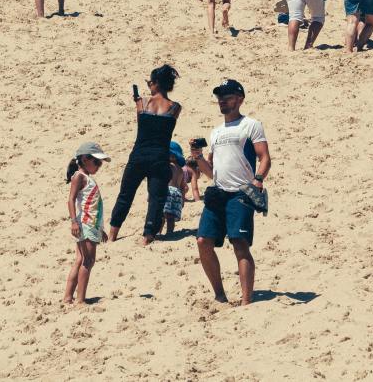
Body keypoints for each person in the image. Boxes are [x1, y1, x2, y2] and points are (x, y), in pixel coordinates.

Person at [189, 79, 272, 306]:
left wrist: (258, 179)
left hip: (241, 192)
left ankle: (246, 301)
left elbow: (264, 157)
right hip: (218, 192)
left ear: (240, 99)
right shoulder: (215, 132)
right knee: (203, 241)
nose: (222, 101)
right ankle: (219, 294)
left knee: (239, 243)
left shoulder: (251, 125)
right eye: (219, 97)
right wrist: (197, 156)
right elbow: (211, 172)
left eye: (227, 97)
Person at [109, 65, 182, 245]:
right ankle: (148, 236)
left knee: (125, 195)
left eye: (150, 82)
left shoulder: (141, 102)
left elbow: (142, 123)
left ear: (156, 83)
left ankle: (112, 235)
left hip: (139, 155)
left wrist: (138, 101)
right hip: (160, 157)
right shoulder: (175, 107)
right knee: (156, 198)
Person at [64, 142, 109, 305]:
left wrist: (100, 229)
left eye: (100, 163)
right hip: (86, 223)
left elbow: (94, 206)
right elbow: (71, 200)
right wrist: (73, 221)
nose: (99, 166)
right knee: (88, 261)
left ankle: (68, 297)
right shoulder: (80, 177)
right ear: (85, 159)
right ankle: (80, 299)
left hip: (91, 224)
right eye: (96, 162)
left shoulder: (87, 178)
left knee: (80, 259)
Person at [163, 143, 187, 236]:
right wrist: (183, 200)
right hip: (178, 193)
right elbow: (183, 187)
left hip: (168, 191)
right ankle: (170, 232)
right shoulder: (181, 170)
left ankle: (158, 232)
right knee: (171, 216)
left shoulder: (169, 166)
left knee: (162, 214)